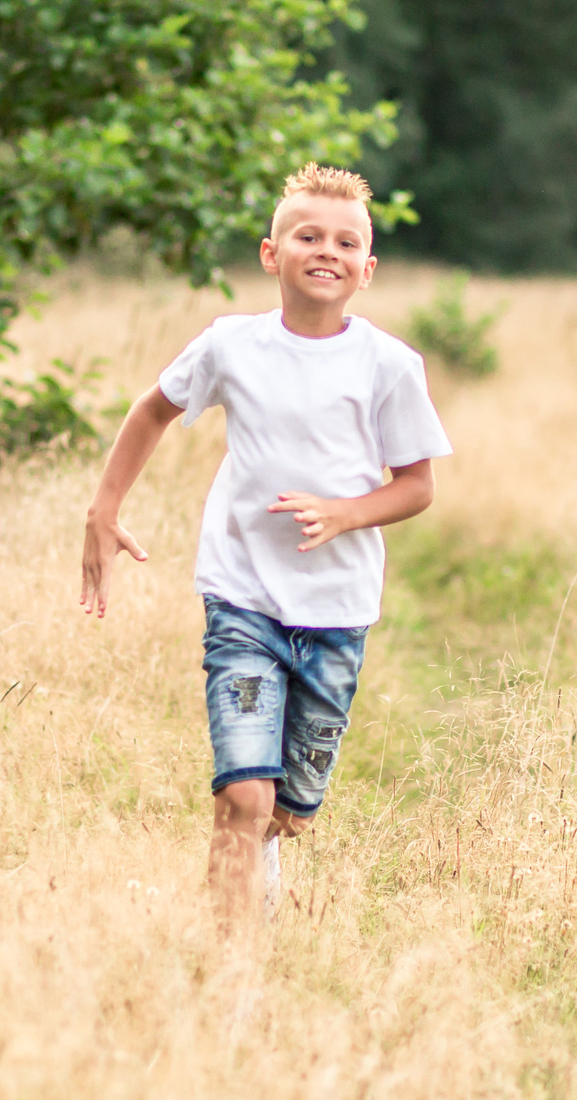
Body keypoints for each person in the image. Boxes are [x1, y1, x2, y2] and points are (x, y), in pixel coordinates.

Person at [79, 164, 453, 932]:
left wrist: (347, 514)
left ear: (368, 269)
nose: (327, 250)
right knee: (240, 797)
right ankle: (233, 976)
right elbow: (153, 410)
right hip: (242, 596)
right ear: (269, 253)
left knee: (286, 807)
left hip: (337, 613)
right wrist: (104, 507)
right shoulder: (231, 346)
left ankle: (267, 850)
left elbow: (416, 485)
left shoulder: (389, 365)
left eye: (347, 241)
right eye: (307, 235)